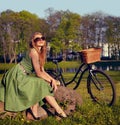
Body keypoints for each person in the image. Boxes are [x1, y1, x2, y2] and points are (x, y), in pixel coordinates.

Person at [0, 32, 67, 120]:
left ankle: (32, 115)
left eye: (42, 38)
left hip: (23, 74)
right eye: (37, 39)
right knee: (40, 83)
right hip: (17, 75)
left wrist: (52, 80)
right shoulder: (33, 52)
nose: (40, 40)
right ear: (33, 42)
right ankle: (60, 112)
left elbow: (42, 71)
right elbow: (39, 73)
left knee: (37, 85)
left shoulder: (41, 53)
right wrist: (52, 81)